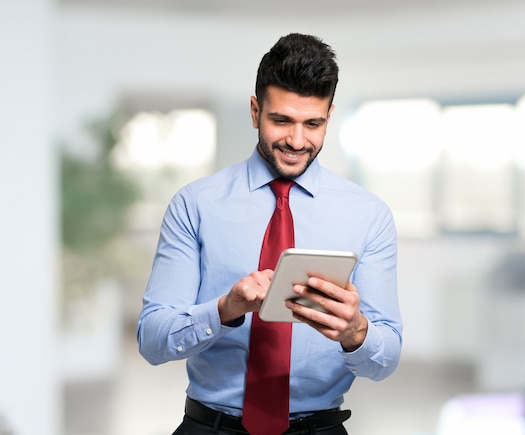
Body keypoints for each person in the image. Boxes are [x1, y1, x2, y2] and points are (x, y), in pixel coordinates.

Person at [137, 33, 402, 435]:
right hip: (210, 427)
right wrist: (225, 308)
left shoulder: (369, 216)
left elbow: (386, 360)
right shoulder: (195, 204)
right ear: (255, 110)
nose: (297, 141)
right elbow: (152, 340)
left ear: (329, 115)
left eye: (313, 123)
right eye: (281, 121)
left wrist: (355, 332)